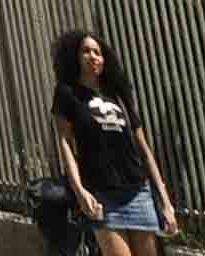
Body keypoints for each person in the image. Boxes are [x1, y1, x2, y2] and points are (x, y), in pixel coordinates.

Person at [45, 31, 177, 243]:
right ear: (75, 56)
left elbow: (144, 149)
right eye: (86, 51)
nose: (92, 56)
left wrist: (164, 200)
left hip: (137, 192)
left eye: (97, 52)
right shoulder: (67, 94)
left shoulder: (118, 96)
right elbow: (66, 144)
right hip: (101, 195)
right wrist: (79, 190)